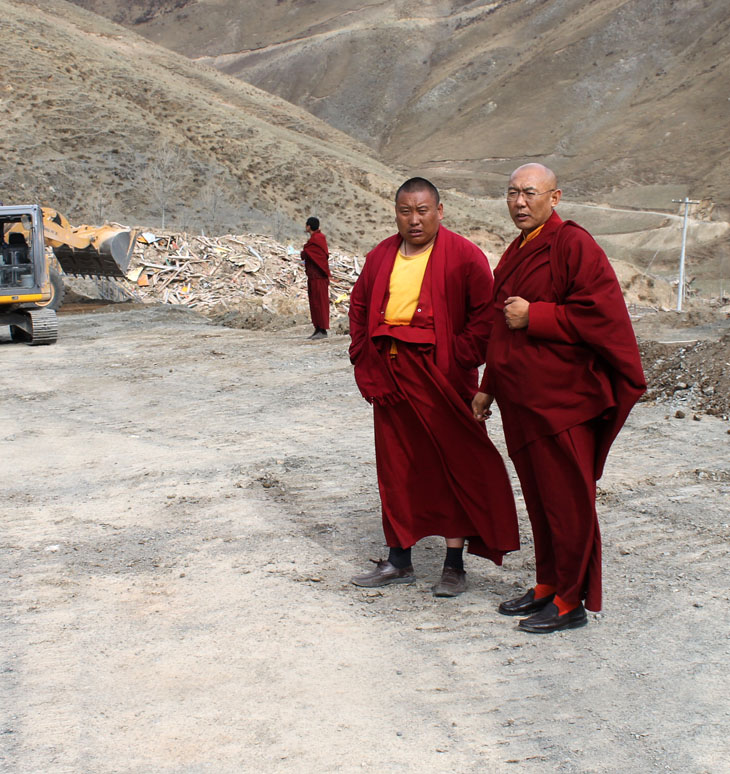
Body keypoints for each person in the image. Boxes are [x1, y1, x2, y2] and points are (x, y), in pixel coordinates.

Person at [472, 163, 646, 633]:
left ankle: (571, 601)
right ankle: (548, 584)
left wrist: (538, 316)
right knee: (540, 499)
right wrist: (488, 385)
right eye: (512, 193)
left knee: (568, 503)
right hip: (521, 401)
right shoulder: (516, 250)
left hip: (563, 402)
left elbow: (603, 316)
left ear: (555, 197)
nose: (519, 202)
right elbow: (500, 326)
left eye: (530, 192)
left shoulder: (573, 245)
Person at [348, 177, 519, 596]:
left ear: (439, 211)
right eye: (405, 211)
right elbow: (359, 308)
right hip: (391, 376)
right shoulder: (380, 255)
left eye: (422, 211)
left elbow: (486, 317)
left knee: (452, 465)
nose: (414, 220)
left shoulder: (464, 256)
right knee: (397, 468)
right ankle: (399, 559)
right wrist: (366, 363)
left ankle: (453, 565)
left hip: (443, 378)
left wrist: (455, 357)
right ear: (396, 213)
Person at [301, 216, 331, 339]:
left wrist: (305, 251)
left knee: (320, 303)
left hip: (319, 277)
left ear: (309, 226)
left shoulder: (318, 239)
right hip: (313, 277)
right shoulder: (315, 239)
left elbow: (310, 253)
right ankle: (317, 328)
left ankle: (323, 330)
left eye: (306, 225)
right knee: (314, 303)